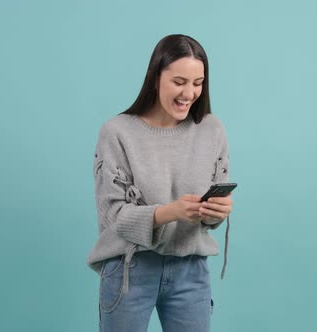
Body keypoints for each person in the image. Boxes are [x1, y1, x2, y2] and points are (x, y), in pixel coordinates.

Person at [87, 34, 234, 332]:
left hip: (190, 269)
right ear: (155, 78)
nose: (189, 93)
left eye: (198, 83)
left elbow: (210, 213)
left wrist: (218, 212)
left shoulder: (212, 129)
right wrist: (172, 212)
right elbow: (114, 219)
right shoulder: (117, 133)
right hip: (130, 268)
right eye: (179, 82)